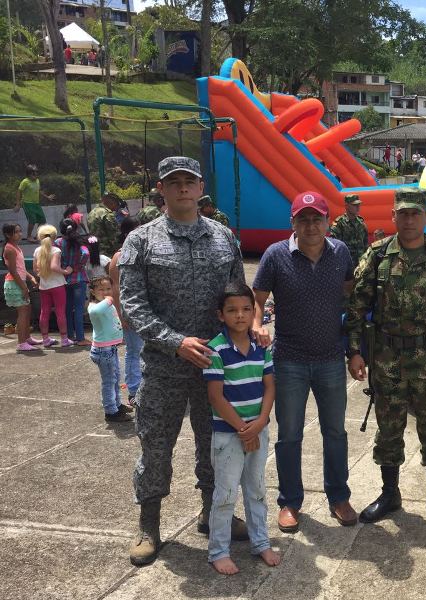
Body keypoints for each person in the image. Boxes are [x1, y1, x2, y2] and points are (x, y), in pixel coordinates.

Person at [119, 156, 247, 566]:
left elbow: (237, 295)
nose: (182, 189)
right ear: (161, 188)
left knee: (215, 444)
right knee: (156, 445)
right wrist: (174, 341)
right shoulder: (141, 241)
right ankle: (149, 525)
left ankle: (213, 513)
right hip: (164, 365)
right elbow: (132, 303)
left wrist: (245, 335)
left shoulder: (224, 238)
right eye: (173, 182)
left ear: (199, 186)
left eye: (188, 181)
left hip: (214, 364)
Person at [345, 187, 426, 529]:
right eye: (404, 213)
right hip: (386, 358)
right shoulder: (378, 255)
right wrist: (355, 351)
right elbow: (357, 307)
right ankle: (390, 493)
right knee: (389, 428)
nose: (410, 219)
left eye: (416, 213)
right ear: (394, 217)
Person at [251, 191, 357, 534]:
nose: (311, 225)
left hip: (330, 358)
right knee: (290, 435)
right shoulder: (275, 255)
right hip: (289, 359)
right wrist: (256, 324)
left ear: (328, 222)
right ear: (292, 223)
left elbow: (351, 298)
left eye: (317, 219)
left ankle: (338, 496)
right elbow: (259, 299)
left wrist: (355, 349)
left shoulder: (341, 252)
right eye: (303, 219)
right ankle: (290, 502)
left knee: (335, 433)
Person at [204, 284, 281, 575]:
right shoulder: (216, 349)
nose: (240, 315)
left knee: (257, 488)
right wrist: (242, 429)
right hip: (228, 434)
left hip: (258, 429)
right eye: (232, 310)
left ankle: (260, 541)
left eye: (246, 309)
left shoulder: (262, 347)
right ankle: (218, 551)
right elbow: (215, 396)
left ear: (254, 311)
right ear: (221, 315)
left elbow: (270, 387)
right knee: (225, 493)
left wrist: (259, 423)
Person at [87, 275, 133, 423]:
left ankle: (117, 404)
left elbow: (113, 322)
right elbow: (96, 313)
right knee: (109, 381)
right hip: (102, 351)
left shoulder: (107, 304)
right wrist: (108, 300)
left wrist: (120, 337)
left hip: (110, 348)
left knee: (115, 379)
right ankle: (110, 411)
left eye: (108, 288)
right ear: (93, 292)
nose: (106, 292)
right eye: (101, 289)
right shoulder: (95, 306)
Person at [109, 218, 144, 406]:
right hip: (131, 311)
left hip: (148, 311)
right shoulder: (120, 256)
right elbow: (116, 289)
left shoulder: (144, 252)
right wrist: (121, 314)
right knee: (134, 350)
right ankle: (134, 390)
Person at [33, 224, 74, 348]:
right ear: (54, 236)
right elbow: (54, 267)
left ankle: (45, 339)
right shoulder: (56, 250)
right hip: (57, 285)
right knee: (60, 312)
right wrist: (66, 271)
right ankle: (64, 339)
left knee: (44, 312)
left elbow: (35, 270)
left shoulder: (37, 250)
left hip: (44, 286)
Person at [3, 223, 41, 351]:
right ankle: (21, 343)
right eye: (16, 232)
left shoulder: (16, 247)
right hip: (15, 284)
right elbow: (13, 271)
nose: (20, 234)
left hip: (20, 282)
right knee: (23, 312)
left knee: (27, 310)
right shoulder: (9, 249)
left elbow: (21, 268)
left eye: (20, 231)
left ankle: (27, 338)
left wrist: (30, 277)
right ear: (8, 234)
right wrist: (24, 287)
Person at [55, 218, 91, 346]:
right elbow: (86, 253)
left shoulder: (58, 242)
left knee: (67, 309)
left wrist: (64, 267)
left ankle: (69, 336)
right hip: (79, 279)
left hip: (64, 279)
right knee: (79, 309)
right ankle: (80, 338)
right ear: (75, 228)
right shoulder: (79, 241)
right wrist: (77, 266)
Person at [15, 164, 54, 242]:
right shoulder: (25, 182)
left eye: (37, 172)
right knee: (32, 220)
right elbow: (19, 191)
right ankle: (29, 236)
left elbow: (39, 191)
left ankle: (38, 235)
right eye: (34, 173)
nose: (36, 174)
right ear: (29, 174)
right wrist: (18, 204)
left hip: (36, 204)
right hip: (27, 204)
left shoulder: (37, 181)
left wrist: (47, 197)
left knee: (42, 220)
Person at [329, 193, 369, 268]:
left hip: (361, 265)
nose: (357, 207)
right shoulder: (339, 224)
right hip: (346, 266)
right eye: (354, 205)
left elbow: (366, 244)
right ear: (346, 206)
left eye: (358, 205)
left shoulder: (361, 223)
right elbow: (334, 247)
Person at [87, 192, 122, 258]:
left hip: (95, 251)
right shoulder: (108, 214)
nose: (116, 207)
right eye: (116, 204)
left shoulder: (91, 213)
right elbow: (114, 237)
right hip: (107, 253)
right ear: (111, 202)